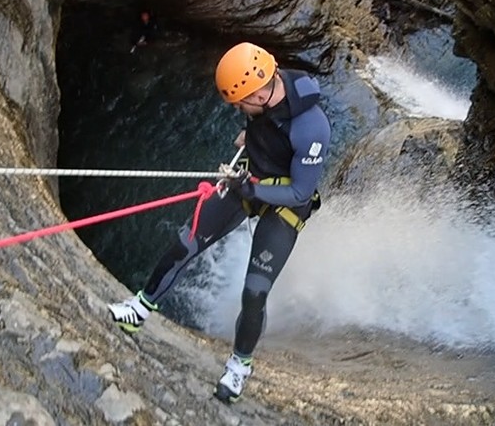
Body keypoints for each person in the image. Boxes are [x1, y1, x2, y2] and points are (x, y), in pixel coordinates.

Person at [107, 42, 331, 404]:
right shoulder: (264, 93)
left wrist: (250, 188)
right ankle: (140, 308)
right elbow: (264, 125)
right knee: (187, 241)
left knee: (255, 290)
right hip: (251, 181)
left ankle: (240, 366)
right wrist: (252, 137)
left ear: (259, 94)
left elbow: (300, 193)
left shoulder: (311, 128)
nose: (237, 109)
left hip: (283, 202)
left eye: (240, 102)